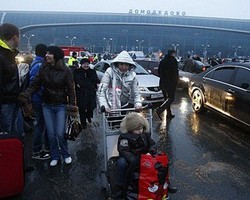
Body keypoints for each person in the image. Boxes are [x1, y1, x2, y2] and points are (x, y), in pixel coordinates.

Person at [19, 46, 78, 167]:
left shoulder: (66, 70)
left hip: (61, 105)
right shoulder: (43, 68)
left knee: (60, 133)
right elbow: (35, 84)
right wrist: (25, 95)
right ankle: (55, 156)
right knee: (51, 134)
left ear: (56, 56)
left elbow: (71, 90)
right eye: (46, 53)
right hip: (46, 105)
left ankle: (66, 154)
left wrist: (72, 106)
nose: (46, 55)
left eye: (49, 53)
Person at [115, 112, 177, 199]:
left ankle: (165, 182)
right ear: (131, 129)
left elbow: (152, 144)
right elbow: (123, 151)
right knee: (121, 163)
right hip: (132, 159)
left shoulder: (144, 134)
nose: (140, 131)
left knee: (161, 160)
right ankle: (120, 187)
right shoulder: (125, 137)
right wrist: (136, 160)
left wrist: (150, 152)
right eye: (137, 129)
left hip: (145, 157)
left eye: (141, 128)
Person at [29, 44, 50, 160]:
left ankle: (45, 148)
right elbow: (35, 83)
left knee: (43, 125)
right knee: (40, 126)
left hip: (39, 99)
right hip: (39, 100)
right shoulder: (38, 65)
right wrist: (45, 94)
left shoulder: (36, 63)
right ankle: (37, 151)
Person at [0, 23, 20, 134]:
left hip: (11, 102)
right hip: (5, 104)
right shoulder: (3, 56)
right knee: (7, 136)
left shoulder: (8, 55)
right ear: (15, 37)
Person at [73, 58, 99, 129]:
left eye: (87, 64)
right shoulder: (76, 72)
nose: (86, 65)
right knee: (82, 108)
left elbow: (96, 80)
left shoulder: (92, 72)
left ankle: (88, 115)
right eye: (84, 64)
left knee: (90, 107)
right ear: (81, 64)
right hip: (81, 93)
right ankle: (83, 123)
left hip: (90, 93)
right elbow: (73, 81)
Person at [155, 49, 179, 120]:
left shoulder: (162, 61)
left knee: (166, 99)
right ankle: (159, 110)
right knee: (171, 98)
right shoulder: (173, 61)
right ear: (173, 54)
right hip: (171, 83)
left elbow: (159, 71)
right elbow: (175, 72)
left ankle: (169, 113)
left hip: (162, 82)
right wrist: (176, 81)